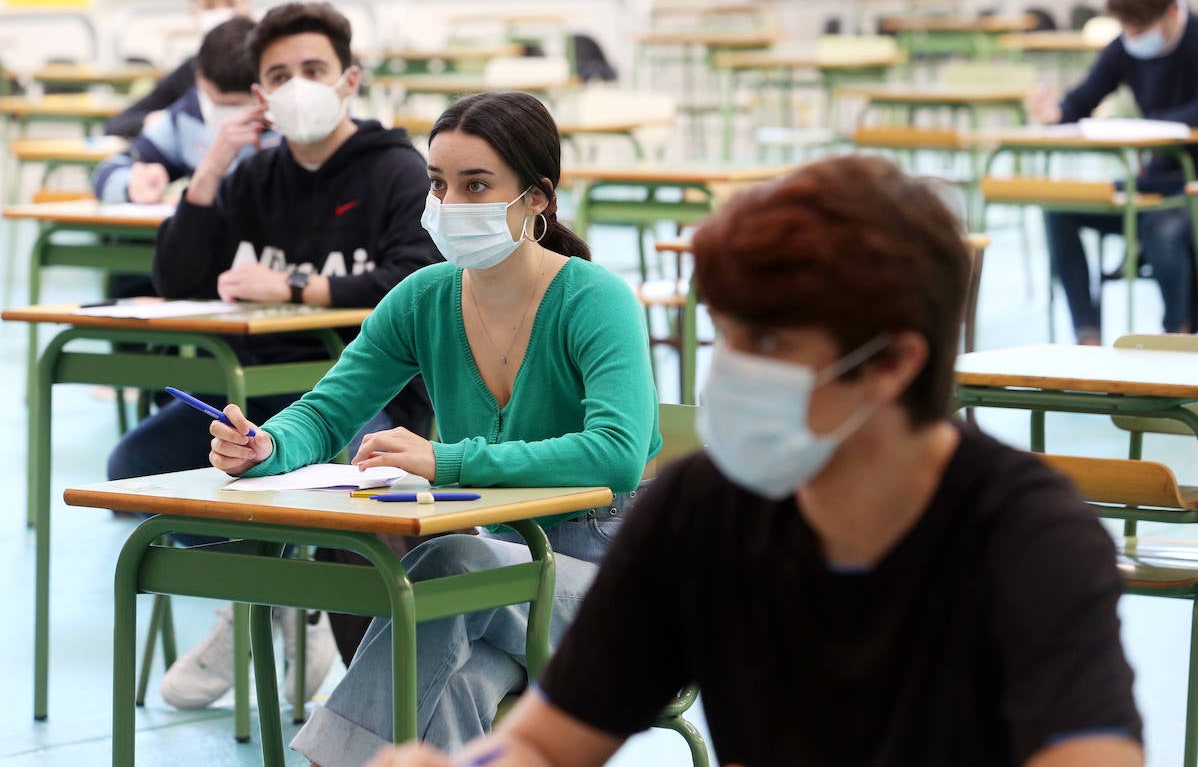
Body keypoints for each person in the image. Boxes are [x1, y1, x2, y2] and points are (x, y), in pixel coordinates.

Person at [369, 156, 1144, 767]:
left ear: (893, 365)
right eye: (728, 337)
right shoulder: (702, 512)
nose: (732, 372)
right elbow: (546, 739)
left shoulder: (1029, 535)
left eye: (768, 348)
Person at [202, 90, 662, 766]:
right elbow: (329, 409)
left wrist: (446, 460)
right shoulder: (425, 297)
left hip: (620, 599)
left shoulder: (596, 299)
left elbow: (618, 455)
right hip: (506, 590)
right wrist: (267, 445)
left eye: (476, 185)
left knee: (447, 562)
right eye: (438, 184)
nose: (449, 205)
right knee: (442, 694)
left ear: (537, 198)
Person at [109, 1, 442, 712]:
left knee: (355, 485)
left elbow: (418, 277)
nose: (298, 86)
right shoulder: (255, 177)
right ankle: (279, 597)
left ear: (350, 79)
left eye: (314, 70)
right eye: (280, 75)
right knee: (136, 468)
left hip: (368, 393)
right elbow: (178, 279)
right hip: (259, 390)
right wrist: (211, 168)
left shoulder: (395, 171)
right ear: (259, 96)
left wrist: (296, 285)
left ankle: (286, 605)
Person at [1027, 0, 1198, 344]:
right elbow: (1083, 99)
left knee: (1161, 225)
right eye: (1127, 29)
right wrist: (1054, 112)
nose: (1133, 37)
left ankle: (1180, 337)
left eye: (1140, 28)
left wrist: (1155, 125)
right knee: (1060, 208)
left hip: (1190, 185)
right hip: (1154, 179)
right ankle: (1086, 335)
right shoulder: (1126, 47)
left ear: (1171, 13)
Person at [91, 16, 278, 205]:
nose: (227, 116)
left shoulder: (285, 126)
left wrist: (201, 191)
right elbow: (107, 171)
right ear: (199, 78)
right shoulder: (186, 116)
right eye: (217, 103)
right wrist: (131, 185)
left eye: (237, 105)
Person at [105, 0, 254, 139]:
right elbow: (119, 123)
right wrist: (154, 119)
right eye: (209, 6)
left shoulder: (268, 64)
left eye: (231, 4)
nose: (221, 13)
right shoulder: (190, 71)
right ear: (194, 13)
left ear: (248, 8)